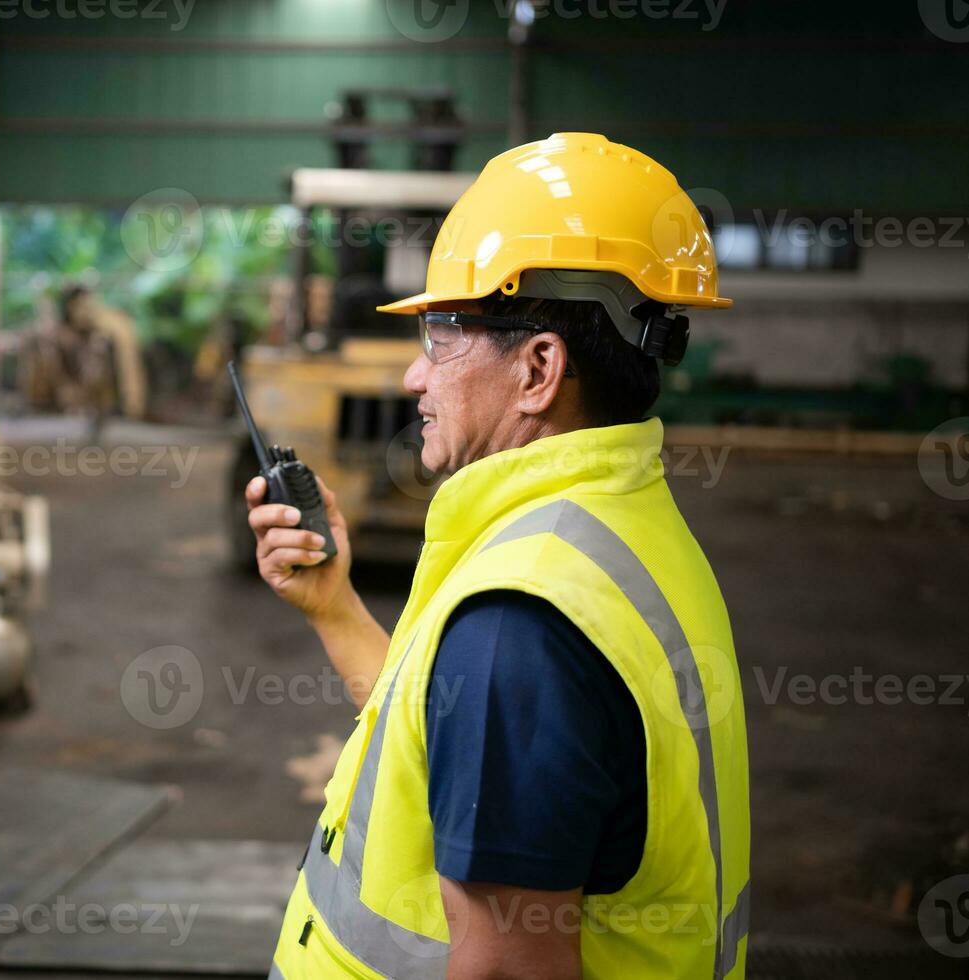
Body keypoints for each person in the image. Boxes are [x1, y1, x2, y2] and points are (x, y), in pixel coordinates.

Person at [248, 133, 751, 978]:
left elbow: (508, 966)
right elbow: (445, 734)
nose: (415, 377)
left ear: (538, 369)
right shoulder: (620, 532)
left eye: (440, 336)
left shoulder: (522, 617)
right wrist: (334, 606)